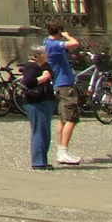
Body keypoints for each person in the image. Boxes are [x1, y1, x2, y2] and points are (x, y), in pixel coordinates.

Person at [44, 21, 82, 164]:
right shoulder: (54, 45)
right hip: (65, 84)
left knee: (62, 118)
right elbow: (74, 43)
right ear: (59, 30)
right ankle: (63, 151)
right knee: (71, 118)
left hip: (61, 84)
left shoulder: (47, 42)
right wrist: (67, 36)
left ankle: (61, 150)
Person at [20, 44, 56, 170]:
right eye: (45, 54)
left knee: (44, 132)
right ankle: (38, 161)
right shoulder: (32, 66)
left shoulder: (40, 65)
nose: (47, 56)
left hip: (43, 103)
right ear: (38, 55)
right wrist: (43, 77)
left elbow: (50, 70)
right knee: (40, 131)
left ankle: (42, 159)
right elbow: (28, 82)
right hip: (37, 103)